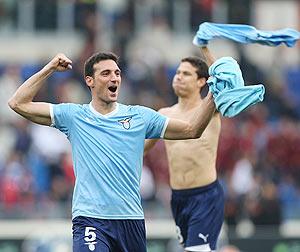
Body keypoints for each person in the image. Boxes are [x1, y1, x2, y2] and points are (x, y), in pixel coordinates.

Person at [8, 52, 216, 252]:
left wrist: (215, 92)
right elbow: (18, 103)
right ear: (89, 80)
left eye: (117, 73)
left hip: (130, 220)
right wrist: (50, 68)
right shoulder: (73, 116)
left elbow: (192, 129)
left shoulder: (140, 117)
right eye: (106, 73)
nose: (114, 77)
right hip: (90, 219)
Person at [144, 46, 224, 252]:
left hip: (205, 197)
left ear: (201, 81)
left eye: (186, 73)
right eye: (178, 72)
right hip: (178, 198)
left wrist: (204, 46)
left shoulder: (210, 108)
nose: (179, 77)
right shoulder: (164, 113)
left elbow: (222, 78)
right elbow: (142, 149)